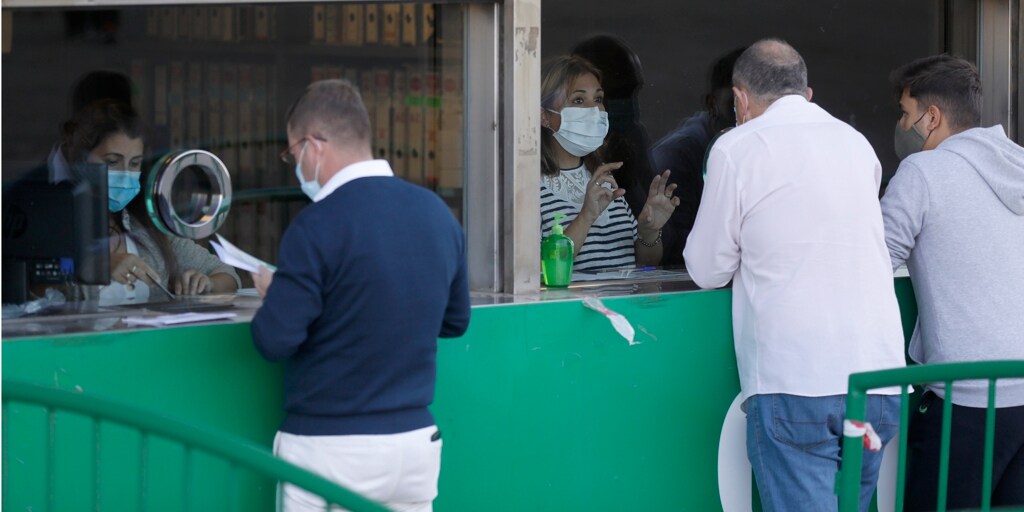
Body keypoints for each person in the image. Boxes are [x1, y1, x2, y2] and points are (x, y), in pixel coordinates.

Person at [683, 39, 907, 511]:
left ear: (740, 100)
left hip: (796, 385)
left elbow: (706, 269)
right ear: (806, 92)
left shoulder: (737, 147)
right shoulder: (856, 143)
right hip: (877, 385)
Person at [249, 79, 471, 512]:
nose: (294, 165)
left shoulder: (316, 226)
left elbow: (273, 341)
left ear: (313, 146)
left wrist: (277, 296)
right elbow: (455, 320)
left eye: (292, 154)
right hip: (415, 446)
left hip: (330, 449)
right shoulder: (436, 214)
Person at [882, 54, 1024, 511]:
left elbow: (871, 262)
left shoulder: (922, 172)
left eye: (905, 114)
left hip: (966, 398)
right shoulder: (1018, 165)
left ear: (932, 116)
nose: (902, 125)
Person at [57, 99, 240, 302]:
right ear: (80, 161)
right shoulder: (58, 228)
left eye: (134, 163)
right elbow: (39, 292)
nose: (125, 173)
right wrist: (94, 267)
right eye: (112, 162)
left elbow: (227, 275)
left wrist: (206, 283)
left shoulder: (147, 228)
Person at [540, 55, 679, 273]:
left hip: (618, 306)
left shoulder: (603, 178)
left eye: (598, 99)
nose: (594, 110)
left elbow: (645, 263)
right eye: (578, 100)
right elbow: (535, 271)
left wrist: (649, 231)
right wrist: (586, 216)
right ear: (544, 116)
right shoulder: (529, 188)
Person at [649, 47, 746, 267]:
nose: (745, 116)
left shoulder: (758, 147)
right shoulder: (677, 157)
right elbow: (681, 251)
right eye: (734, 105)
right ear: (712, 104)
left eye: (757, 108)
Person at [571, 34, 658, 223]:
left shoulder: (633, 136)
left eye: (632, 92)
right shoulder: (566, 153)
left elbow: (661, 231)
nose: (629, 103)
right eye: (618, 94)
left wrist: (629, 181)